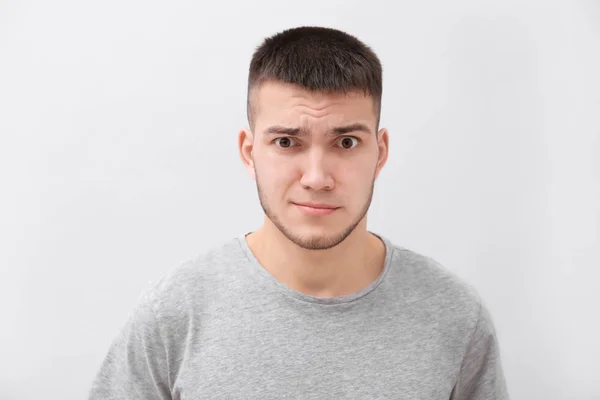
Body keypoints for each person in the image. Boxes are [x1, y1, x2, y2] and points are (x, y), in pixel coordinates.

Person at [89, 26, 509, 399]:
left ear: (379, 153)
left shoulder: (454, 315)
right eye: (287, 142)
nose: (316, 177)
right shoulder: (175, 313)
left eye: (345, 142)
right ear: (250, 152)